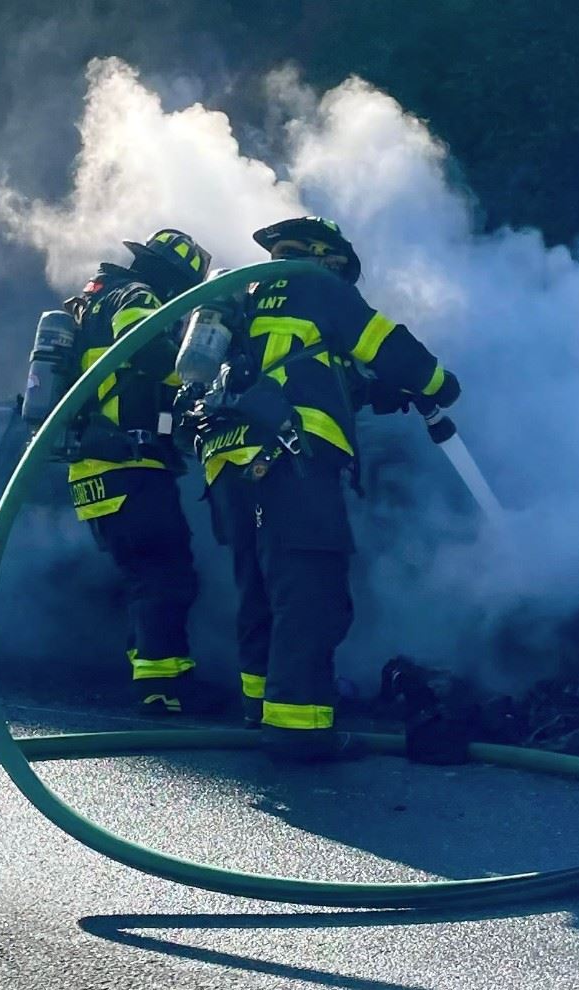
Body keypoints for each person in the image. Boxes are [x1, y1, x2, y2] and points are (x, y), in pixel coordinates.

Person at [187, 216, 460, 762]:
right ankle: (300, 730)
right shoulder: (315, 285)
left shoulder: (243, 297)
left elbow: (306, 373)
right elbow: (386, 345)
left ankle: (261, 712)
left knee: (261, 592)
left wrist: (377, 395)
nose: (341, 275)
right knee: (312, 592)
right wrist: (437, 383)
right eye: (338, 265)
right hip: (289, 458)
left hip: (230, 464)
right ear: (321, 255)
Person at [63, 228, 211, 714]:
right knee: (165, 575)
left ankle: (166, 675)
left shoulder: (90, 301)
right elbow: (148, 351)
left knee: (146, 576)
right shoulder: (136, 296)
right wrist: (202, 371)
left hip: (93, 470)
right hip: (131, 463)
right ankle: (161, 689)